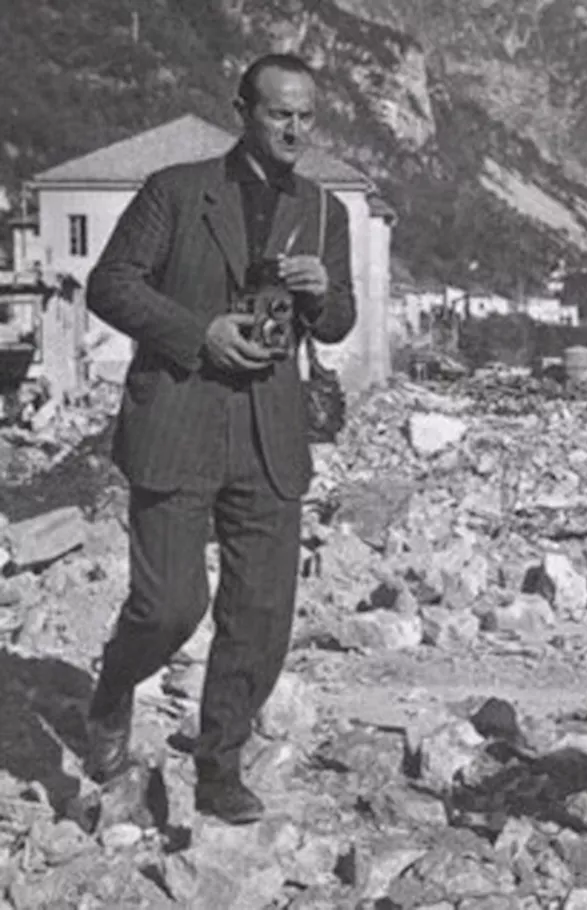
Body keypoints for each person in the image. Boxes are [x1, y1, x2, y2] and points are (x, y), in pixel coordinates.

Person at [83, 53, 356, 824]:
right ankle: (111, 697)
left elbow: (338, 324)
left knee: (262, 613)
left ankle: (219, 763)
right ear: (243, 110)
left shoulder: (324, 209)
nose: (295, 128)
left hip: (271, 430)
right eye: (279, 113)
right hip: (178, 413)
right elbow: (112, 284)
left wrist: (322, 292)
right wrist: (198, 332)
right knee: (170, 605)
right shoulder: (175, 190)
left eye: (306, 115)